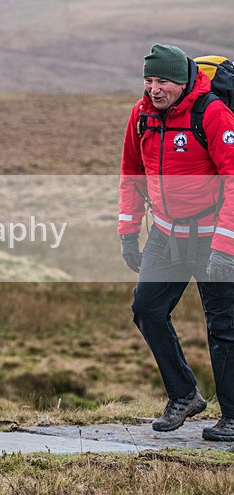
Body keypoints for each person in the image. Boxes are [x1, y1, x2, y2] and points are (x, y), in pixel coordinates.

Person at [119, 43, 234, 441]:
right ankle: (184, 395)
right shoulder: (141, 116)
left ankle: (232, 416)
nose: (153, 88)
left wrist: (225, 245)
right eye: (149, 80)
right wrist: (127, 232)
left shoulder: (213, 113)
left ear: (183, 81)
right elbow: (131, 174)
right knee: (147, 309)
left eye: (162, 81)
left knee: (223, 325)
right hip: (165, 235)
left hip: (211, 237)